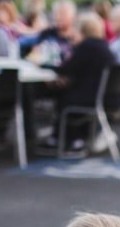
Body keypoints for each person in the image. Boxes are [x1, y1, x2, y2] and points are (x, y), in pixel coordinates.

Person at [45, 11, 114, 151]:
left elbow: (66, 69)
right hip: (100, 95)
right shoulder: (102, 46)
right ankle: (69, 138)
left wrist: (42, 64)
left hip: (85, 97)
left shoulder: (86, 47)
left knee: (59, 96)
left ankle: (63, 139)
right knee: (62, 91)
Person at [27, 0, 77, 66]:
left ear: (73, 16)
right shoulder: (47, 33)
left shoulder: (76, 38)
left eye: (63, 13)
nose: (60, 17)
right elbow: (34, 52)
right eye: (57, 13)